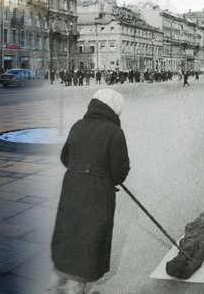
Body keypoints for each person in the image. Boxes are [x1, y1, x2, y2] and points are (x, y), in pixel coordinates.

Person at [50, 89, 130, 293]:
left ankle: (60, 278)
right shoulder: (114, 132)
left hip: (72, 187)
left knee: (70, 229)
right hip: (98, 192)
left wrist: (79, 170)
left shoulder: (78, 125)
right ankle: (79, 286)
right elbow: (120, 171)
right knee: (91, 234)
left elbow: (64, 157)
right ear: (114, 110)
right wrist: (103, 177)